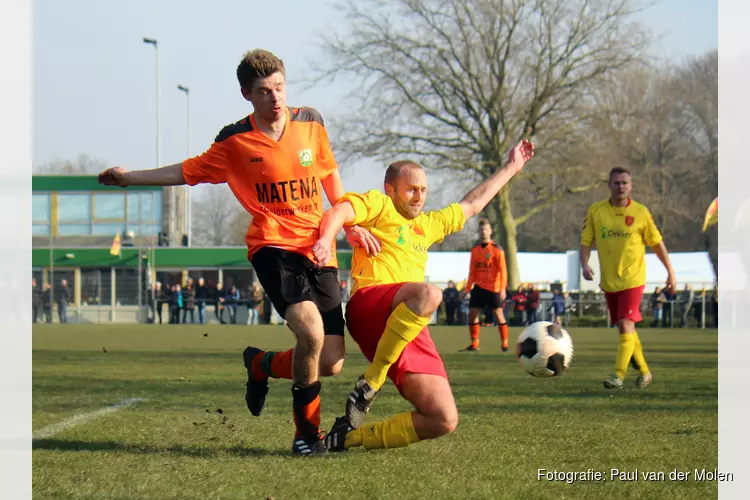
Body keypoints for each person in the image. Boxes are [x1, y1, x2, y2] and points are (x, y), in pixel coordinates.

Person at [97, 49, 378, 456]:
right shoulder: (233, 141)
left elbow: (329, 174)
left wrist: (349, 224)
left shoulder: (311, 122)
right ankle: (306, 435)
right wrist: (129, 178)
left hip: (319, 249)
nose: (276, 97)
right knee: (311, 334)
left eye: (280, 87)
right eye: (265, 91)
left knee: (331, 360)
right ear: (247, 93)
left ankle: (261, 365)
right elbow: (184, 171)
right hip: (274, 248)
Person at [312, 139, 534, 451]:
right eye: (411, 189)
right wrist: (326, 238)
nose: (419, 197)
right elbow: (339, 211)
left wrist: (512, 167)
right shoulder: (379, 205)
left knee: (443, 418)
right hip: (371, 307)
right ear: (391, 189)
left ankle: (346, 437)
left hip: (407, 324)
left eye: (423, 190)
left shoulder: (428, 225)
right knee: (430, 294)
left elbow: (472, 205)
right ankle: (371, 381)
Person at [580, 166, 676, 389]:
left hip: (633, 279)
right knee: (626, 330)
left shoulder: (641, 213)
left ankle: (618, 375)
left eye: (624, 183)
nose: (621, 187)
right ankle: (644, 371)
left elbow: (657, 244)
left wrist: (670, 271)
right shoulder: (597, 211)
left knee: (625, 324)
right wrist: (584, 264)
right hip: (610, 280)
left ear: (631, 186)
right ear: (609, 185)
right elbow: (586, 242)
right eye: (616, 183)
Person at [461, 220, 509, 351]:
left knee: (498, 313)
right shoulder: (475, 250)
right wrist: (467, 288)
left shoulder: (497, 249)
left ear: (490, 231)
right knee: (472, 313)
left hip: (494, 287)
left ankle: (504, 344)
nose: (484, 232)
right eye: (482, 229)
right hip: (479, 287)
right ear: (479, 231)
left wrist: (503, 288)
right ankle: (475, 344)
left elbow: (503, 270)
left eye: (486, 229)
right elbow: (472, 271)